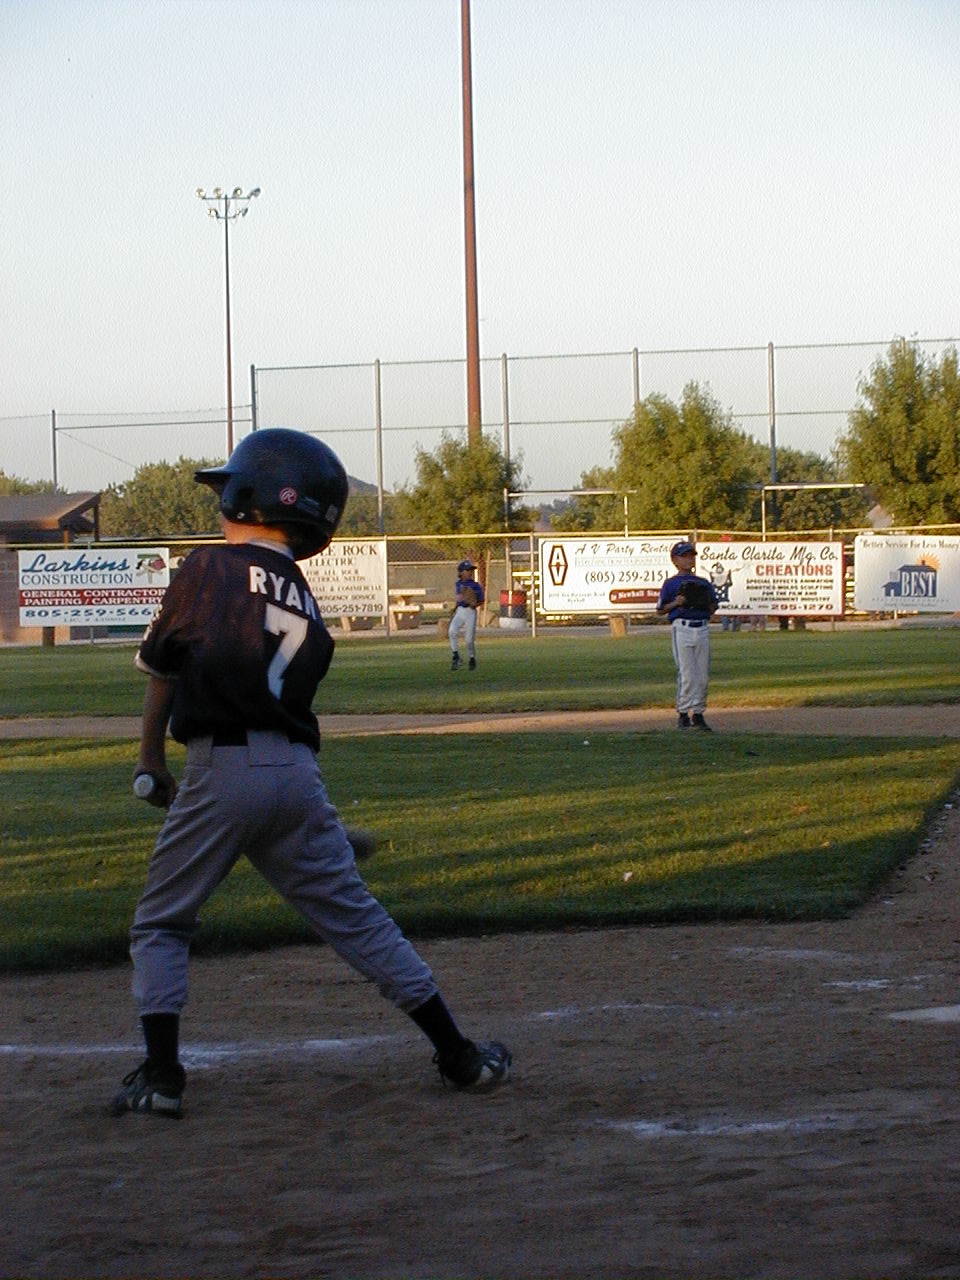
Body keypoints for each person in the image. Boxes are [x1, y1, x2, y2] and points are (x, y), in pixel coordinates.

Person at [111, 428, 510, 1119]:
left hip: (222, 765)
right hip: (296, 774)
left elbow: (163, 670)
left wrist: (150, 760)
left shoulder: (208, 567)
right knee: (359, 920)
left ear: (250, 495)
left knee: (161, 922)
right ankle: (459, 1054)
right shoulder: (303, 592)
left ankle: (162, 1074)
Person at [655, 539, 719, 731]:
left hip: (702, 628)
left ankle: (698, 714)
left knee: (702, 676)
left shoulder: (703, 583)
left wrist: (703, 601)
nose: (689, 559)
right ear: (675, 560)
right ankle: (683, 714)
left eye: (691, 555)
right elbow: (660, 610)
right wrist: (677, 602)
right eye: (684, 556)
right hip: (682, 628)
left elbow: (712, 608)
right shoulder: (670, 584)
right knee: (687, 674)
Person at [448, 558, 484, 670]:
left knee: (469, 639)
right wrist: (454, 608)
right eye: (467, 570)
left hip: (470, 612)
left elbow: (481, 600)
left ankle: (472, 658)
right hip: (460, 610)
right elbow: (460, 598)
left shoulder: (475, 586)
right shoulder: (458, 584)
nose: (470, 572)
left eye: (471, 570)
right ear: (461, 572)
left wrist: (475, 604)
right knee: (452, 631)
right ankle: (456, 656)